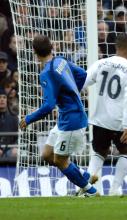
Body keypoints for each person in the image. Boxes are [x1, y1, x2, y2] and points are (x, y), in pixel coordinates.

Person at [19, 34, 98, 197]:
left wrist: (28, 119)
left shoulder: (46, 73)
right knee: (47, 154)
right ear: (52, 46)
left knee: (60, 160)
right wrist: (71, 91)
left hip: (72, 120)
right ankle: (84, 176)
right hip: (66, 117)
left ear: (34, 52)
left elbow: (48, 105)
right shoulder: (61, 61)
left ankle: (89, 190)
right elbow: (83, 74)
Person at [83, 33, 127, 196]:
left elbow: (83, 82)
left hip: (99, 118)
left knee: (99, 152)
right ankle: (115, 190)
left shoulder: (101, 63)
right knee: (125, 151)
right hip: (118, 120)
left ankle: (87, 189)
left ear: (116, 46)